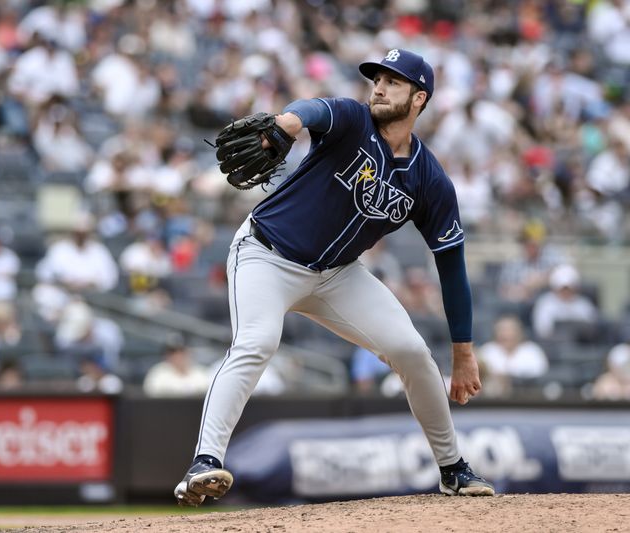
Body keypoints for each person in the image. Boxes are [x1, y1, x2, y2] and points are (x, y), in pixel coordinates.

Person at [174, 49, 495, 507]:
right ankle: (204, 462)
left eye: (394, 82)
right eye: (377, 79)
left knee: (413, 352)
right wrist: (287, 123)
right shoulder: (352, 119)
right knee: (257, 342)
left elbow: (452, 263)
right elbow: (313, 109)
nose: (379, 87)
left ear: (419, 98)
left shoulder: (429, 179)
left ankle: (452, 470)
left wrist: (463, 352)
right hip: (266, 255)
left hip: (337, 276)